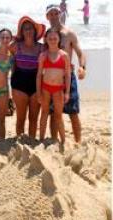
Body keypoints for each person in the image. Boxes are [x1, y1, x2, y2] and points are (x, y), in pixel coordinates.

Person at [46, 4, 86, 143]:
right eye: (51, 14)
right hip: (51, 78)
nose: (54, 16)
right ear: (47, 16)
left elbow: (80, 53)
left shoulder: (69, 34)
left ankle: (78, 142)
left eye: (56, 13)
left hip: (68, 76)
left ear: (60, 13)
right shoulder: (48, 35)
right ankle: (53, 141)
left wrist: (82, 67)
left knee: (73, 112)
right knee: (53, 113)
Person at [10, 16, 45, 138]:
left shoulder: (42, 48)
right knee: (21, 117)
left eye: (30, 28)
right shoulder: (15, 46)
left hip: (36, 86)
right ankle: (20, 142)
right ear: (22, 31)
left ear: (35, 31)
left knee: (34, 118)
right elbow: (3, 58)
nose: (28, 31)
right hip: (19, 85)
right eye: (25, 29)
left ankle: (31, 141)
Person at [37, 28, 71, 145]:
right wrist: (38, 93)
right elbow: (39, 75)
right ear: (46, 39)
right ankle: (41, 139)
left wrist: (67, 92)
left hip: (58, 89)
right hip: (45, 88)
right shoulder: (43, 55)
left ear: (59, 39)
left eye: (55, 38)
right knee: (44, 113)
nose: (52, 40)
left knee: (58, 116)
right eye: (50, 38)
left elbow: (67, 75)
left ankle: (63, 141)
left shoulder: (64, 55)